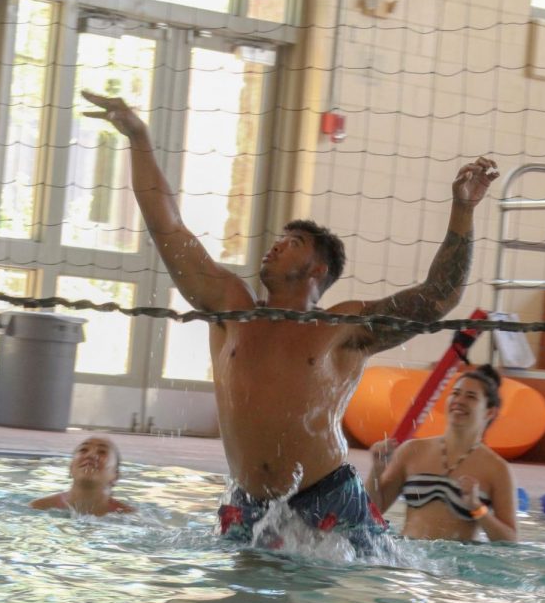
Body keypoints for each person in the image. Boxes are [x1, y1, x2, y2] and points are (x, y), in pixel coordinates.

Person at [81, 89, 499, 551]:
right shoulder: (230, 307)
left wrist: (462, 211)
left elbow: (438, 298)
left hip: (329, 498)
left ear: (317, 271)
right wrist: (139, 138)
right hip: (250, 502)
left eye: (293, 241)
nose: (277, 245)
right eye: (280, 238)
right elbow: (167, 227)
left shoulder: (341, 327)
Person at [365, 365, 517, 542]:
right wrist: (376, 469)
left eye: (471, 396)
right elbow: (370, 513)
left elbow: (510, 540)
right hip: (406, 559)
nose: (459, 400)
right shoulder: (411, 451)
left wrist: (477, 508)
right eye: (455, 393)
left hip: (454, 565)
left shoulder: (497, 469)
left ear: (489, 412)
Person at [30, 435, 134, 516]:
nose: (91, 455)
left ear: (115, 475)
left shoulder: (128, 515)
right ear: (70, 468)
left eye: (102, 452)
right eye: (83, 450)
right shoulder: (40, 507)